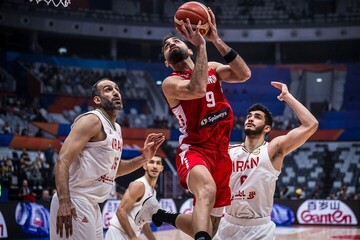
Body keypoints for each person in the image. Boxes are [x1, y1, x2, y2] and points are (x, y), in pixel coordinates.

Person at [136, 7, 251, 240]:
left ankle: (159, 214)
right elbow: (197, 89)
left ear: (187, 47)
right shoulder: (170, 82)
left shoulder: (213, 69)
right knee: (206, 190)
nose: (170, 46)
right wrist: (201, 47)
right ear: (167, 63)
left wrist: (214, 39)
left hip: (221, 152)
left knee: (212, 226)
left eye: (174, 42)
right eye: (166, 48)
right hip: (195, 149)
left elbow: (244, 74)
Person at [49, 79, 165, 239]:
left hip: (92, 205)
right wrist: (64, 202)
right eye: (108, 90)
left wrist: (143, 158)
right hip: (75, 200)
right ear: (97, 99)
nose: (116, 92)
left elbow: (113, 170)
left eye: (117, 89)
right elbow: (63, 160)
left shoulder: (116, 128)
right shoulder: (92, 120)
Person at [213, 81, 318, 240]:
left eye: (257, 117)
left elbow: (311, 124)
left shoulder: (272, 149)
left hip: (259, 228)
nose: (250, 119)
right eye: (249, 116)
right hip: (227, 223)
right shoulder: (228, 151)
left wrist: (287, 97)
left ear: (267, 128)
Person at [104, 155, 164, 240]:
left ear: (161, 168)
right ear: (144, 166)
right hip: (118, 234)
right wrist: (133, 237)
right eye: (151, 162)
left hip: (130, 235)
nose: (154, 166)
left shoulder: (153, 192)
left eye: (158, 163)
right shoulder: (139, 185)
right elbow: (120, 211)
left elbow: (142, 221)